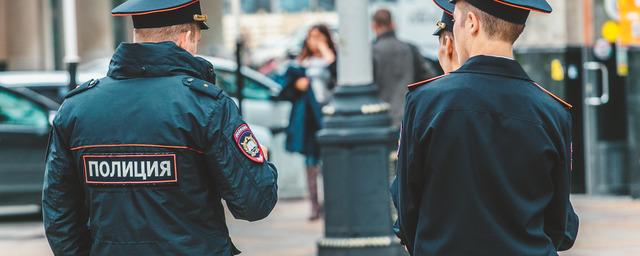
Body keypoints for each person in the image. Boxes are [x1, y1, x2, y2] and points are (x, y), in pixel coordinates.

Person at [42, 1, 278, 255]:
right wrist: (258, 165)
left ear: (136, 37)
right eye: (196, 40)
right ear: (186, 38)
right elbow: (255, 203)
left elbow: (58, 213)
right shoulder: (205, 106)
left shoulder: (77, 108)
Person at [391, 0, 579, 255]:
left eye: (455, 20)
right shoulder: (553, 112)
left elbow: (407, 211)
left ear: (471, 23)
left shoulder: (425, 102)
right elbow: (560, 228)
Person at [280, 24, 337, 221]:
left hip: (330, 115)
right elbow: (284, 91)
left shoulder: (332, 60)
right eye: (312, 37)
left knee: (331, 162)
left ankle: (331, 203)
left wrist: (326, 51)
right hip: (310, 119)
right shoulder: (301, 64)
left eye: (319, 36)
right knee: (311, 161)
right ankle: (314, 205)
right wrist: (297, 86)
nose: (315, 41)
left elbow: (338, 77)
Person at [371, 9, 432, 127]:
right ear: (393, 24)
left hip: (380, 117)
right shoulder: (411, 49)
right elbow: (428, 77)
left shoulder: (372, 51)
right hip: (408, 114)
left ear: (374, 26)